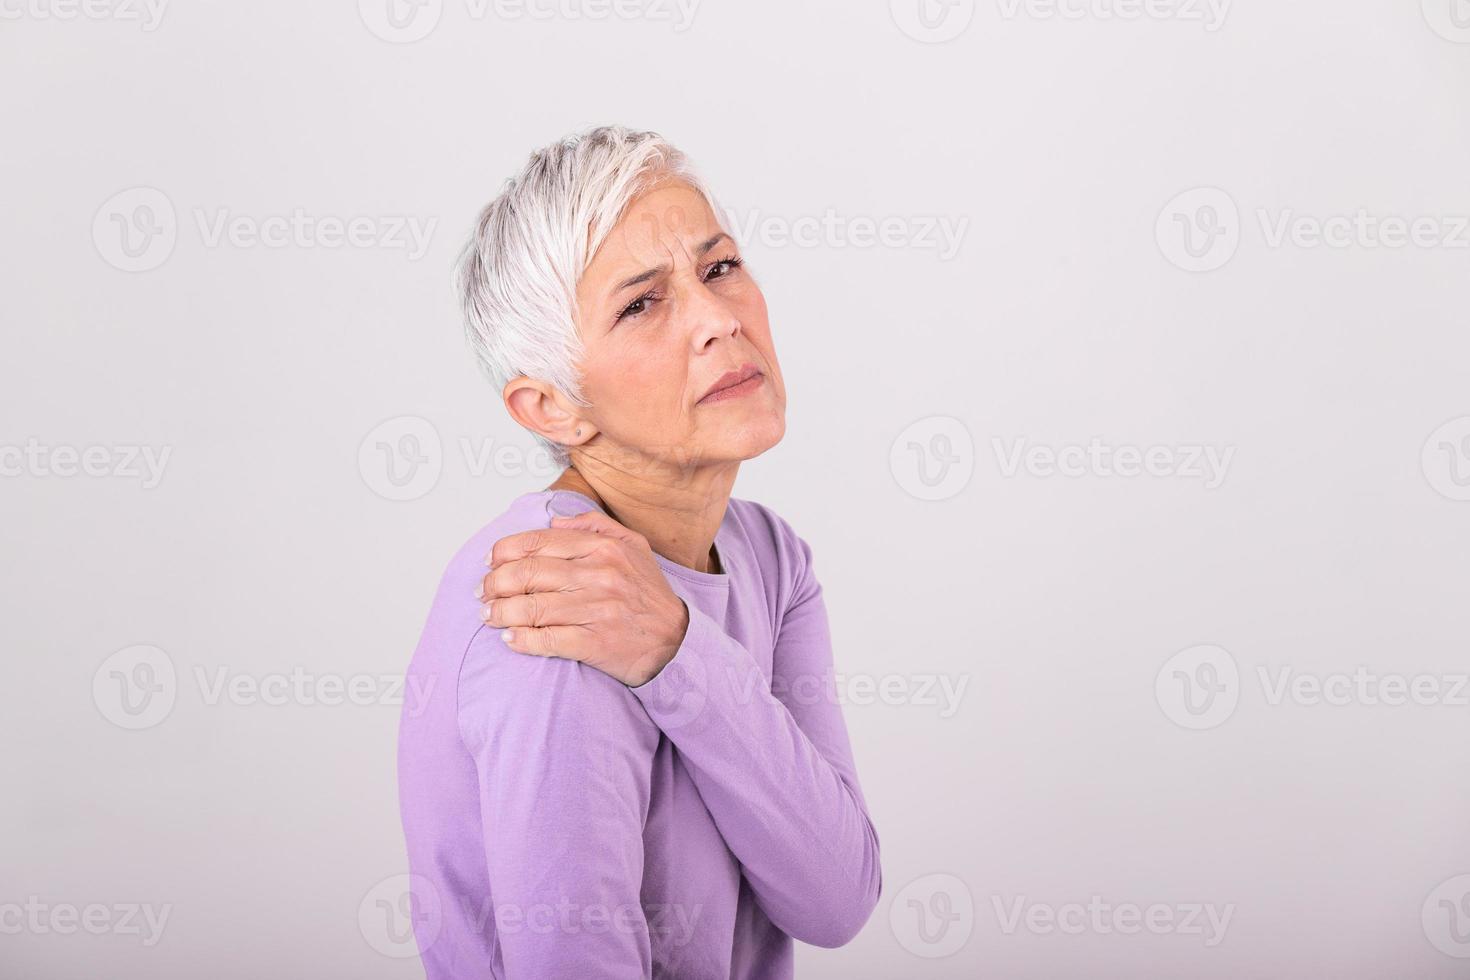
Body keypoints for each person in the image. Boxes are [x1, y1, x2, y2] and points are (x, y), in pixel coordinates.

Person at [397, 124, 881, 979]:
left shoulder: (772, 557)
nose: (719, 321)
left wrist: (676, 649)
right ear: (552, 407)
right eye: (642, 303)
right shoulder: (547, 613)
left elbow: (835, 898)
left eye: (720, 267)